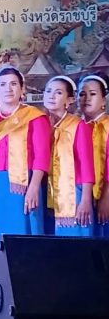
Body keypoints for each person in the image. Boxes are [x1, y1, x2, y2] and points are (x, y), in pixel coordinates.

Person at [0, 67, 51, 267]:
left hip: (26, 184)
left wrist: (34, 187)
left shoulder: (35, 117)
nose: (8, 89)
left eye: (14, 84)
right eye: (3, 84)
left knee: (24, 230)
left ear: (22, 89)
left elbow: (42, 155)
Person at [44, 75, 95, 236]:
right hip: (47, 190)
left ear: (70, 100)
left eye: (58, 93)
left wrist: (85, 200)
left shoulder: (77, 126)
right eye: (48, 91)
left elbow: (87, 165)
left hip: (73, 192)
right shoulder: (41, 124)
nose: (52, 96)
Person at [78, 74, 109, 237]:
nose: (87, 99)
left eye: (93, 94)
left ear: (104, 100)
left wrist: (106, 198)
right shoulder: (76, 127)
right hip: (83, 195)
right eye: (82, 94)